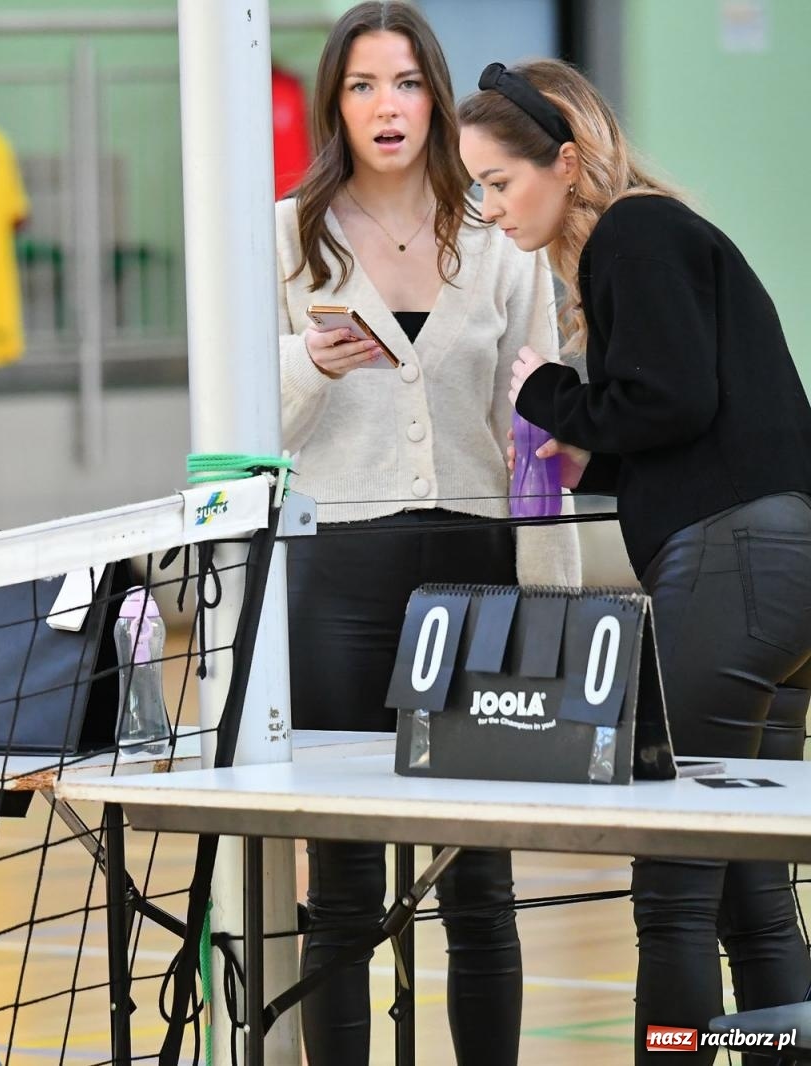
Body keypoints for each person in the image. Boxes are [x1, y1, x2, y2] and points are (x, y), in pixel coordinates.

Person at [461, 58, 811, 1064]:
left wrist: (546, 398)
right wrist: (593, 451)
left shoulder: (632, 233)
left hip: (735, 571)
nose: (489, 209)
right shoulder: (658, 241)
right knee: (751, 884)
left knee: (672, 886)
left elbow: (669, 401)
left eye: (498, 182)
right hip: (776, 577)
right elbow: (692, 417)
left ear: (564, 163)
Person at [273, 4, 579, 1063]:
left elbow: (536, 430)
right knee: (345, 875)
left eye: (405, 83)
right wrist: (305, 366)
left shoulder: (497, 237)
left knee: (478, 874)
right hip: (336, 571)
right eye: (361, 85)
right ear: (334, 104)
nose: (386, 107)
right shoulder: (283, 232)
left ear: (435, 98)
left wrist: (557, 587)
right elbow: (236, 431)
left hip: (475, 569)